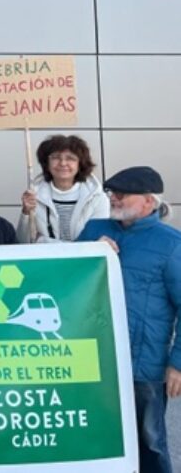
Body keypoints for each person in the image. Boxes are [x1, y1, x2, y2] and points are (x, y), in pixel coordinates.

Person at [77, 166, 181, 473]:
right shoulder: (94, 231)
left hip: (144, 365)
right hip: (92, 359)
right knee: (97, 436)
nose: (114, 198)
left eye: (123, 194)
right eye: (112, 193)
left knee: (150, 440)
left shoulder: (171, 243)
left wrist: (177, 363)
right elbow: (65, 276)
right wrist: (88, 252)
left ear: (149, 201)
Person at [17, 134, 108, 243]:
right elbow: (23, 241)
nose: (63, 163)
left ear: (80, 163)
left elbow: (95, 242)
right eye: (56, 157)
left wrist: (43, 240)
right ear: (46, 163)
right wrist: (26, 212)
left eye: (70, 158)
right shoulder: (35, 195)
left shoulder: (97, 197)